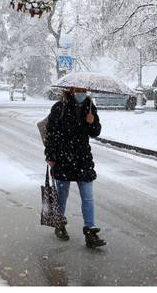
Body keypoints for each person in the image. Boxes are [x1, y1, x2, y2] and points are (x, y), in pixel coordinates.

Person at [45, 87, 106, 248]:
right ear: (71, 90)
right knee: (62, 195)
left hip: (83, 158)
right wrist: (51, 156)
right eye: (78, 90)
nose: (81, 92)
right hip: (63, 157)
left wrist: (92, 123)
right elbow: (51, 133)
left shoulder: (90, 106)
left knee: (88, 197)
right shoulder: (60, 107)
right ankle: (60, 224)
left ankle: (90, 231)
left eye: (84, 90)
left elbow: (95, 132)